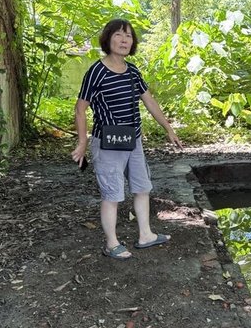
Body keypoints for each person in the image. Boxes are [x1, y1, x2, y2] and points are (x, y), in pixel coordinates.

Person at [71, 18, 183, 260]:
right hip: (108, 142)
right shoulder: (96, 71)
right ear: (108, 38)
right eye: (119, 35)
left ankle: (146, 235)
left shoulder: (132, 71)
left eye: (129, 36)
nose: (124, 40)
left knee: (142, 188)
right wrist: (82, 142)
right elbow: (80, 108)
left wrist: (168, 128)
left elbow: (149, 100)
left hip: (133, 140)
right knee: (112, 194)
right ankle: (112, 244)